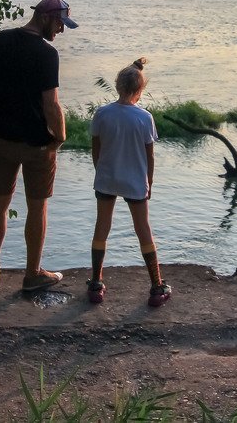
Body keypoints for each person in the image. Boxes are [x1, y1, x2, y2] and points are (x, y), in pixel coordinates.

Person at [0, 0, 78, 292]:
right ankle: (32, 274)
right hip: (37, 146)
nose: (60, 30)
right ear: (44, 17)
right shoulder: (47, 53)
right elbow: (51, 104)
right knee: (37, 207)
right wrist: (60, 137)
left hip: (2, 140)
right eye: (59, 23)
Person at [86, 58, 172, 307]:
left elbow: (96, 151)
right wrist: (150, 182)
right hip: (135, 181)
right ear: (140, 90)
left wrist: (101, 173)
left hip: (106, 179)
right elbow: (149, 156)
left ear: (117, 86)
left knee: (102, 227)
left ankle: (95, 283)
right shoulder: (144, 118)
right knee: (143, 229)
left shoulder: (102, 113)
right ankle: (156, 287)